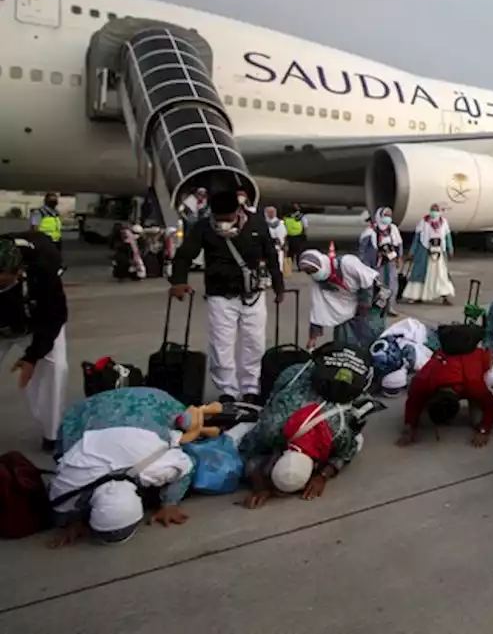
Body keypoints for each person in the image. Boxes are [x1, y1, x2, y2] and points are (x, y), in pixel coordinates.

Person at [45, 387, 208, 547]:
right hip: (98, 408)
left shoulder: (152, 468)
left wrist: (170, 504)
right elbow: (186, 466)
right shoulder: (67, 485)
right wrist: (170, 503)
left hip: (140, 402)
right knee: (64, 451)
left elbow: (187, 465)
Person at [170, 189, 285, 404]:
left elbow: (271, 255)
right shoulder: (204, 227)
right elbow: (184, 255)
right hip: (220, 296)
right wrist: (178, 281)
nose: (223, 224)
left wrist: (279, 287)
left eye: (228, 219)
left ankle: (250, 388)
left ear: (238, 210)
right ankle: (228, 391)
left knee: (255, 343)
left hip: (253, 296)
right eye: (219, 219)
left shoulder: (257, 224)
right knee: (221, 345)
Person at [239, 351, 375, 509]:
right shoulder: (272, 428)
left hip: (317, 379)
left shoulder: (338, 433)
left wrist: (322, 476)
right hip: (296, 373)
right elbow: (247, 447)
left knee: (357, 440)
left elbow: (347, 452)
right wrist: (260, 486)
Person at [1, 232, 68, 451]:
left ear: (19, 272)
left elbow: (55, 317)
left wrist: (32, 356)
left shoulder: (44, 268)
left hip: (35, 321)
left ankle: (51, 433)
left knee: (54, 367)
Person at [398, 340, 493, 448]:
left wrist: (484, 431)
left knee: (478, 420)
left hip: (477, 358)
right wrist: (409, 427)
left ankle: (475, 401)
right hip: (446, 361)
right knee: (424, 421)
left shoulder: (473, 382)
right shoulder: (422, 380)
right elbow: (412, 402)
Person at [297, 248, 387, 350]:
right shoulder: (319, 283)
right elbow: (318, 310)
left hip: (370, 302)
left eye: (314, 270)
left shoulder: (346, 263)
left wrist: (364, 302)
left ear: (321, 263)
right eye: (309, 272)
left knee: (370, 337)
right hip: (346, 311)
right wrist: (312, 338)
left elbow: (368, 281)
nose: (313, 274)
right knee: (343, 344)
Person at [402, 204, 455, 304]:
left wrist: (450, 248)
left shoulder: (443, 222)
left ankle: (444, 296)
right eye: (432, 210)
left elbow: (447, 237)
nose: (434, 212)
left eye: (436, 210)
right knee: (419, 273)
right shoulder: (424, 222)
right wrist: (412, 251)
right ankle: (415, 296)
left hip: (439, 252)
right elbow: (417, 238)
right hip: (425, 251)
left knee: (441, 274)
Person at [359, 207, 403, 313]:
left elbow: (398, 244)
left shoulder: (393, 229)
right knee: (379, 285)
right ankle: (379, 307)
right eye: (385, 215)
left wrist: (399, 257)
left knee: (392, 285)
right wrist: (364, 264)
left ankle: (389, 307)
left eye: (389, 216)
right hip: (377, 264)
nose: (388, 218)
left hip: (390, 262)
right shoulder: (370, 232)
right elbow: (363, 249)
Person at [262, 206, 289, 275]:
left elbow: (285, 235)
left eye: (272, 212)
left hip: (278, 247)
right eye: (269, 212)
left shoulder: (281, 223)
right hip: (267, 248)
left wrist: (285, 245)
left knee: (278, 266)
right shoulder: (263, 223)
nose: (271, 214)